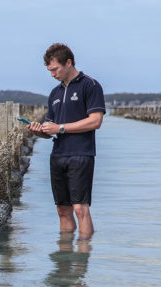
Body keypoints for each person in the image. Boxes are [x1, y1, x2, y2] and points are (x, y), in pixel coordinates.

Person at [30, 43, 105, 239]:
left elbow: (96, 121)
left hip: (81, 154)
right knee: (62, 210)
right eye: (49, 71)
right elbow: (51, 129)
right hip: (58, 155)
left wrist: (60, 128)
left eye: (55, 69)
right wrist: (40, 131)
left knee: (80, 208)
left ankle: (82, 259)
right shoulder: (54, 93)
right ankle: (64, 262)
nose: (52, 74)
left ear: (69, 63)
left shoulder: (90, 85)